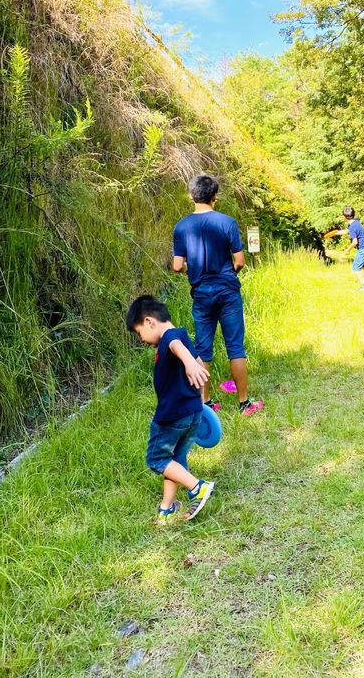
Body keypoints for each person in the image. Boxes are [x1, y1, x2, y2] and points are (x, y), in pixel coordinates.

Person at [172, 174, 264, 416]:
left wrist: (189, 270)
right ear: (214, 197)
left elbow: (176, 265)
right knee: (235, 347)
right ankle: (244, 404)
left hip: (201, 293)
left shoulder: (181, 227)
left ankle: (206, 404)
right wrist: (228, 273)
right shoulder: (227, 222)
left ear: (192, 196)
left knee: (203, 349)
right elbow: (240, 261)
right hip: (227, 291)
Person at [126, 295, 215, 525]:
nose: (142, 339)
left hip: (172, 416)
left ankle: (198, 487)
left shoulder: (169, 338)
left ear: (148, 322)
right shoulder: (182, 333)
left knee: (156, 458)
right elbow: (197, 359)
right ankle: (167, 508)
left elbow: (179, 350)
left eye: (138, 333)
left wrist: (187, 363)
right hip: (193, 412)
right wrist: (200, 397)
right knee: (175, 459)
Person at [330, 206, 364, 290]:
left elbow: (355, 242)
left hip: (363, 248)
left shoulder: (353, 227)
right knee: (363, 265)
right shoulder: (355, 222)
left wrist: (348, 249)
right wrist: (334, 233)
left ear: (344, 217)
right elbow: (346, 231)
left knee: (356, 267)